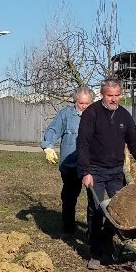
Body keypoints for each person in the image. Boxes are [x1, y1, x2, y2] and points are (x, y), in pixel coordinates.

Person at [77, 77, 136, 270]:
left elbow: (134, 142)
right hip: (95, 170)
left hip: (115, 171)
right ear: (102, 95)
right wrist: (86, 172)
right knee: (96, 209)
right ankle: (95, 253)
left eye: (117, 95)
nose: (113, 99)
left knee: (120, 210)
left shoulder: (124, 116)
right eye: (110, 95)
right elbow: (83, 145)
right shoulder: (91, 114)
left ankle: (105, 238)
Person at [41, 86, 94, 237]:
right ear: (75, 101)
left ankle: (92, 231)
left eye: (87, 104)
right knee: (69, 198)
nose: (84, 107)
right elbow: (53, 130)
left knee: (94, 199)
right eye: (81, 103)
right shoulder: (65, 114)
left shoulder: (97, 115)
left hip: (91, 164)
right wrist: (48, 146)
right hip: (70, 163)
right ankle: (69, 227)